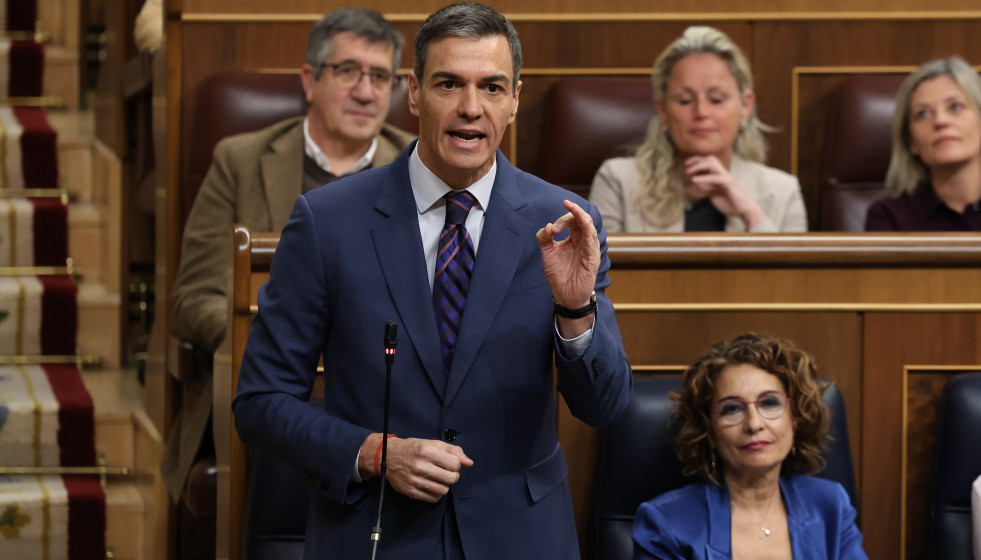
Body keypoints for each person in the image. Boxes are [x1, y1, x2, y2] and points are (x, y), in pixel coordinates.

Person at [232, 3, 632, 559]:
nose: (471, 108)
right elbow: (260, 402)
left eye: (492, 87)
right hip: (378, 534)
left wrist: (574, 310)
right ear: (415, 93)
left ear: (516, 99)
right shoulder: (327, 223)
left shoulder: (565, 223)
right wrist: (375, 452)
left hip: (519, 540)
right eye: (449, 84)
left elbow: (604, 406)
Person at [162, 8, 415, 502]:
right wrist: (284, 337)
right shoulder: (241, 159)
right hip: (269, 378)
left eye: (380, 77)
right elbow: (193, 299)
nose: (366, 92)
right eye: (348, 72)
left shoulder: (418, 167)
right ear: (309, 79)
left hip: (386, 389)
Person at [633, 333, 867, 559]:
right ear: (709, 430)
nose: (754, 424)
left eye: (769, 403)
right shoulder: (667, 522)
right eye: (732, 409)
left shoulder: (830, 506)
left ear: (795, 418)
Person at [589, 26, 806, 233]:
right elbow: (598, 268)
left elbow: (795, 272)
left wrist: (750, 213)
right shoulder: (617, 181)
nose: (701, 112)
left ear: (745, 106)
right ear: (663, 110)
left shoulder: (783, 192)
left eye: (716, 99)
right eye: (684, 100)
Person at [865, 56, 981, 231]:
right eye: (923, 114)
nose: (940, 121)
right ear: (910, 141)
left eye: (955, 106)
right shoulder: (888, 217)